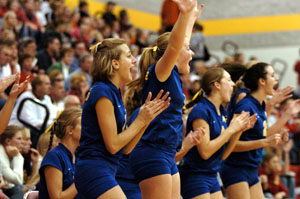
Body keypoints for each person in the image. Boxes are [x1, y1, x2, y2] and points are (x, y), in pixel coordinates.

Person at [123, 1, 204, 198]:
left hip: (167, 152)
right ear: (173, 53)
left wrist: (191, 18)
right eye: (188, 49)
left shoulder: (173, 75)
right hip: (152, 152)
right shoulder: (161, 72)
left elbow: (180, 43)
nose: (192, 53)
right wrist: (183, 16)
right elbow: (176, 44)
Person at [74, 38, 170, 199]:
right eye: (128, 56)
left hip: (107, 169)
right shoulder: (101, 91)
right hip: (94, 169)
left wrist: (146, 120)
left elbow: (126, 149)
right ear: (115, 64)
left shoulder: (113, 92)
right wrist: (139, 120)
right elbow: (112, 145)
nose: (134, 60)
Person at [220, 62, 300, 199]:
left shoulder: (260, 104)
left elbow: (262, 135)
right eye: (272, 76)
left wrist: (287, 116)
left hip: (251, 169)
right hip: (236, 168)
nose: (276, 79)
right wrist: (265, 143)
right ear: (262, 81)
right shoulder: (245, 105)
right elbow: (231, 146)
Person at [180, 67, 256, 199]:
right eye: (229, 80)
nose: (233, 84)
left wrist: (239, 131)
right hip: (195, 176)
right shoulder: (201, 111)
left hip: (212, 175)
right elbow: (205, 152)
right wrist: (231, 129)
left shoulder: (222, 111)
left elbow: (223, 155)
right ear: (217, 85)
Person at [39, 108, 82, 199]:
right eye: (85, 125)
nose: (89, 129)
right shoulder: (54, 156)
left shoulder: (81, 155)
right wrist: (84, 179)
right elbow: (57, 197)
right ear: (70, 130)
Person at [0, 125, 25, 199]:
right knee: (21, 189)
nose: (22, 142)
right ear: (8, 141)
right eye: (19, 139)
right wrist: (18, 157)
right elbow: (18, 180)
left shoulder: (10, 153)